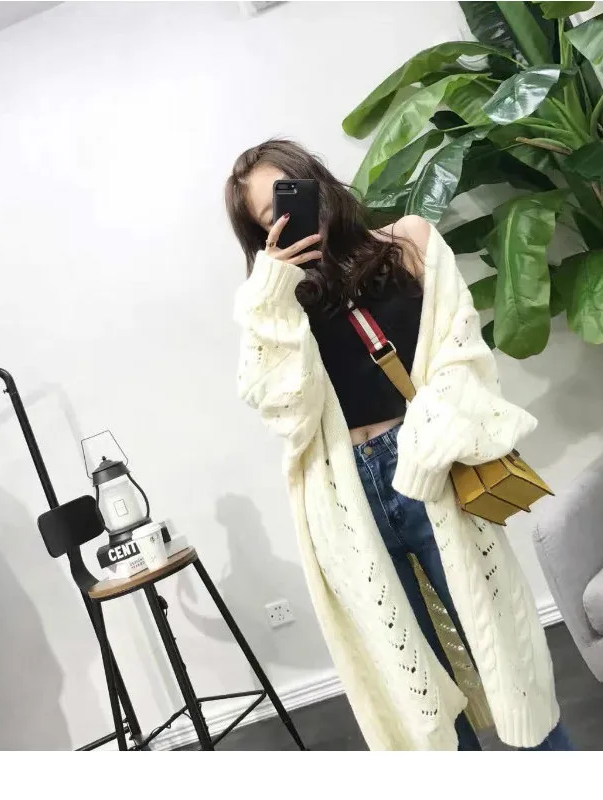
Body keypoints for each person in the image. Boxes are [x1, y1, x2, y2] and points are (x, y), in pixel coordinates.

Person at [225, 139, 573, 751]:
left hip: (428, 467)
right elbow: (284, 412)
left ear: (315, 181)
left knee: (505, 655)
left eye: (288, 195)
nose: (285, 218)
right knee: (416, 685)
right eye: (267, 218)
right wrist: (272, 297)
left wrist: (421, 448)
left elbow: (462, 357)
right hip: (342, 496)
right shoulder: (276, 304)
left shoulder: (408, 241)